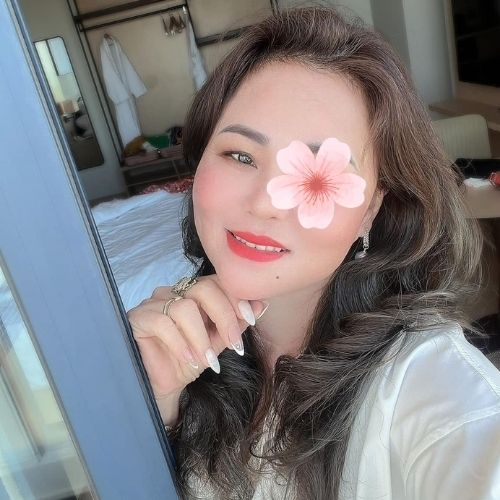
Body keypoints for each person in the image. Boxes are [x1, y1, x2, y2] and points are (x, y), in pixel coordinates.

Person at [127, 6, 500, 499]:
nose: (265, 203)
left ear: (371, 211)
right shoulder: (176, 354)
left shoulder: (431, 393)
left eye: (318, 175)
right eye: (240, 155)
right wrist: (152, 408)